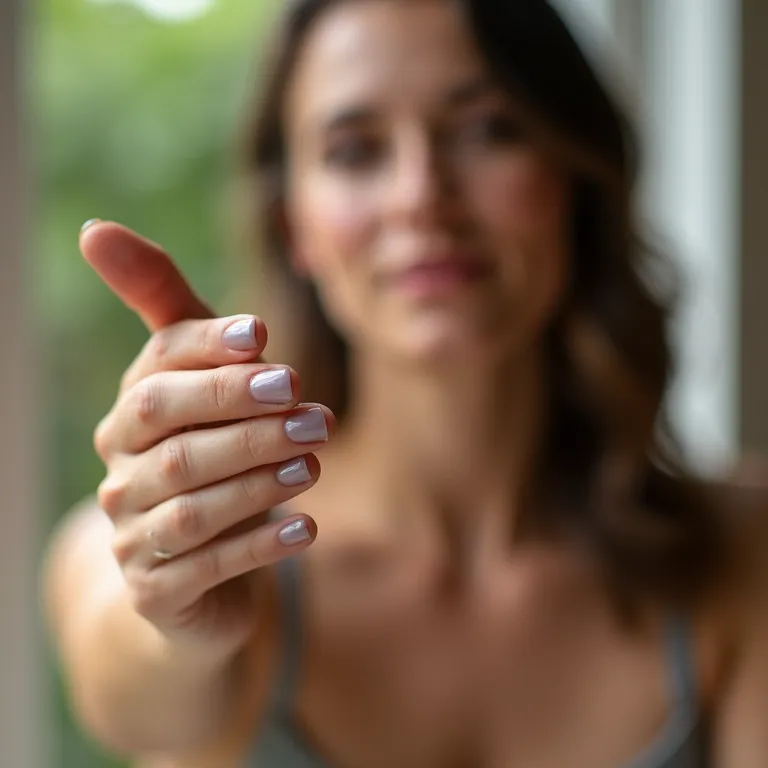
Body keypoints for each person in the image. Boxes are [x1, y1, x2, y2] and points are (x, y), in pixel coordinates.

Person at [43, 1, 768, 766]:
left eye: (489, 129)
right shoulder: (162, 545)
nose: (421, 195)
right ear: (296, 227)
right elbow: (134, 703)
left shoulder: (745, 552)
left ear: (575, 182)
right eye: (356, 151)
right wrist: (174, 621)